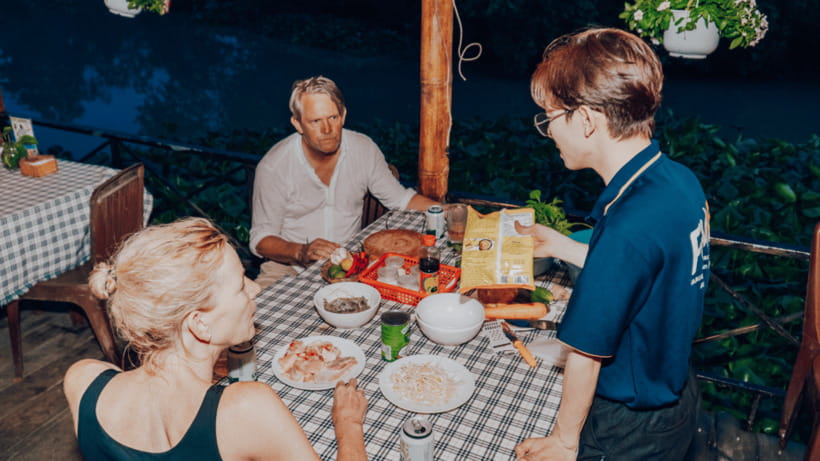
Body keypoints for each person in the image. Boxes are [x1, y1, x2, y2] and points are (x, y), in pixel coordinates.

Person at [513, 28, 710, 460]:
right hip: (676, 395)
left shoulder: (628, 224)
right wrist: (563, 246)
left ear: (585, 120)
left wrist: (565, 442)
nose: (549, 133)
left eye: (549, 117)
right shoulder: (677, 181)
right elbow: (645, 272)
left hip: (629, 428)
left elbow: (584, 353)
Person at [63, 217, 368, 460]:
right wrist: (349, 424)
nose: (255, 290)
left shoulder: (83, 381)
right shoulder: (248, 408)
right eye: (239, 286)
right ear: (199, 324)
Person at [250, 75, 438, 288]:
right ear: (298, 123)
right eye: (315, 121)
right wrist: (300, 251)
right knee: (256, 316)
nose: (327, 130)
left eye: (333, 118)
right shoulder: (275, 166)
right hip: (288, 266)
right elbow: (261, 239)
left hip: (351, 263)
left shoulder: (363, 149)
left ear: (344, 115)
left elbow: (401, 199)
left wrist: (448, 210)